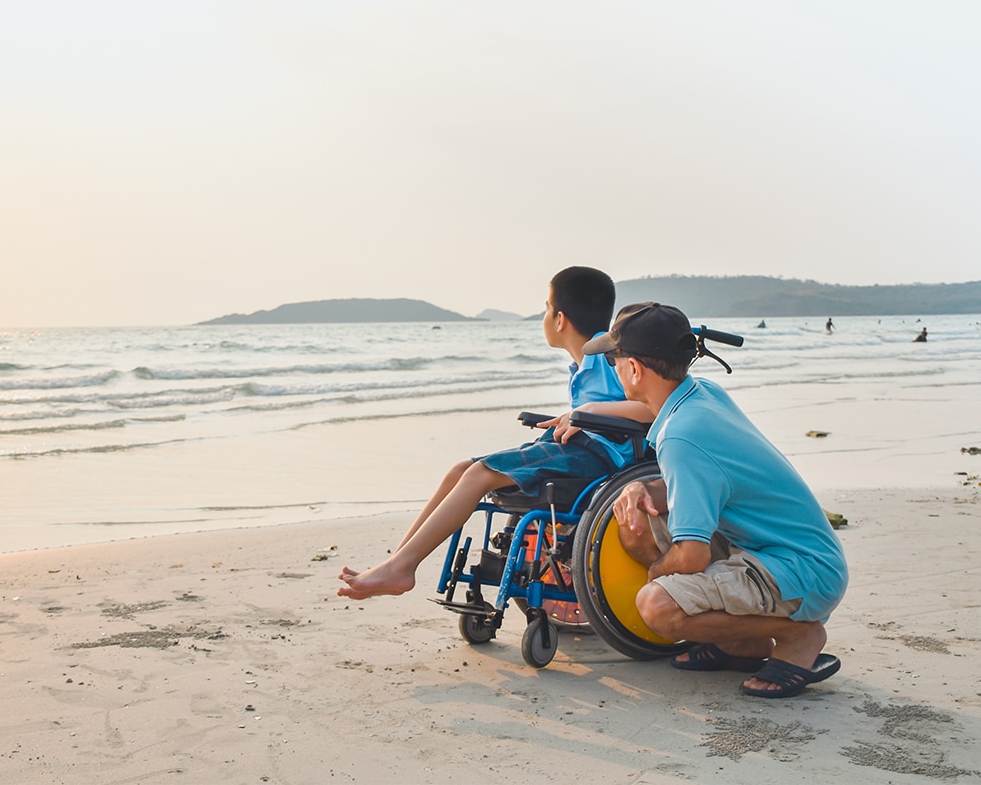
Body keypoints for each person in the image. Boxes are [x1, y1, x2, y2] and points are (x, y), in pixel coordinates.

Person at [337, 267, 655, 600]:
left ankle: (401, 568)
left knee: (478, 474)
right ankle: (399, 562)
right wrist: (578, 416)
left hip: (599, 459)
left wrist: (587, 413)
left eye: (546, 308)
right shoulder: (581, 366)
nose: (544, 316)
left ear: (560, 319)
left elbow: (651, 409)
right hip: (577, 448)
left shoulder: (608, 360)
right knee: (460, 470)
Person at [585, 302, 848, 698]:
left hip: (801, 568)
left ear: (635, 369)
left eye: (613, 359)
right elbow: (706, 479)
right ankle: (743, 643)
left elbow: (692, 557)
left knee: (657, 605)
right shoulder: (700, 393)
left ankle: (799, 636)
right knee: (634, 513)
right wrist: (643, 488)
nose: (613, 367)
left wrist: (658, 573)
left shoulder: (681, 435)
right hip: (771, 549)